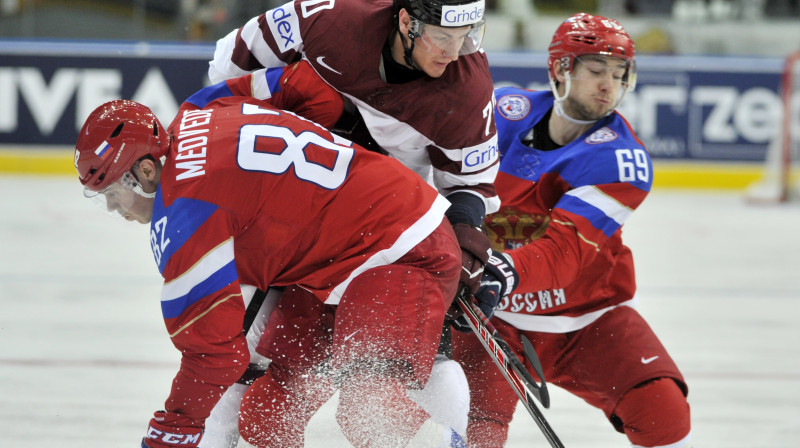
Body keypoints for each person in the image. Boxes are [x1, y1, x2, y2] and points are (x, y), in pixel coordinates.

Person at [74, 93, 470, 447]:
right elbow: (298, 86)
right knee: (266, 418)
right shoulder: (201, 107)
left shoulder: (184, 217)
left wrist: (169, 437)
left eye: (111, 192)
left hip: (400, 249)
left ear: (145, 172)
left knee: (370, 413)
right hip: (335, 262)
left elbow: (212, 356)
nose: (113, 208)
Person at [204, 0, 504, 444]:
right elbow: (228, 68)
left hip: (392, 237)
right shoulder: (329, 19)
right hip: (298, 225)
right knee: (252, 392)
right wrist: (288, 120)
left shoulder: (468, 88)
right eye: (443, 37)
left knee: (377, 401)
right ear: (406, 21)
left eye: (467, 37)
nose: (455, 52)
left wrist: (464, 245)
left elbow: (470, 185)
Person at [451, 13, 693, 448]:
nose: (609, 85)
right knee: (477, 430)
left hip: (587, 318)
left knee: (664, 416)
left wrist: (500, 272)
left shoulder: (622, 160)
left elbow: (567, 252)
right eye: (597, 70)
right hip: (495, 317)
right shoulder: (502, 114)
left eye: (619, 74)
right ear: (562, 68)